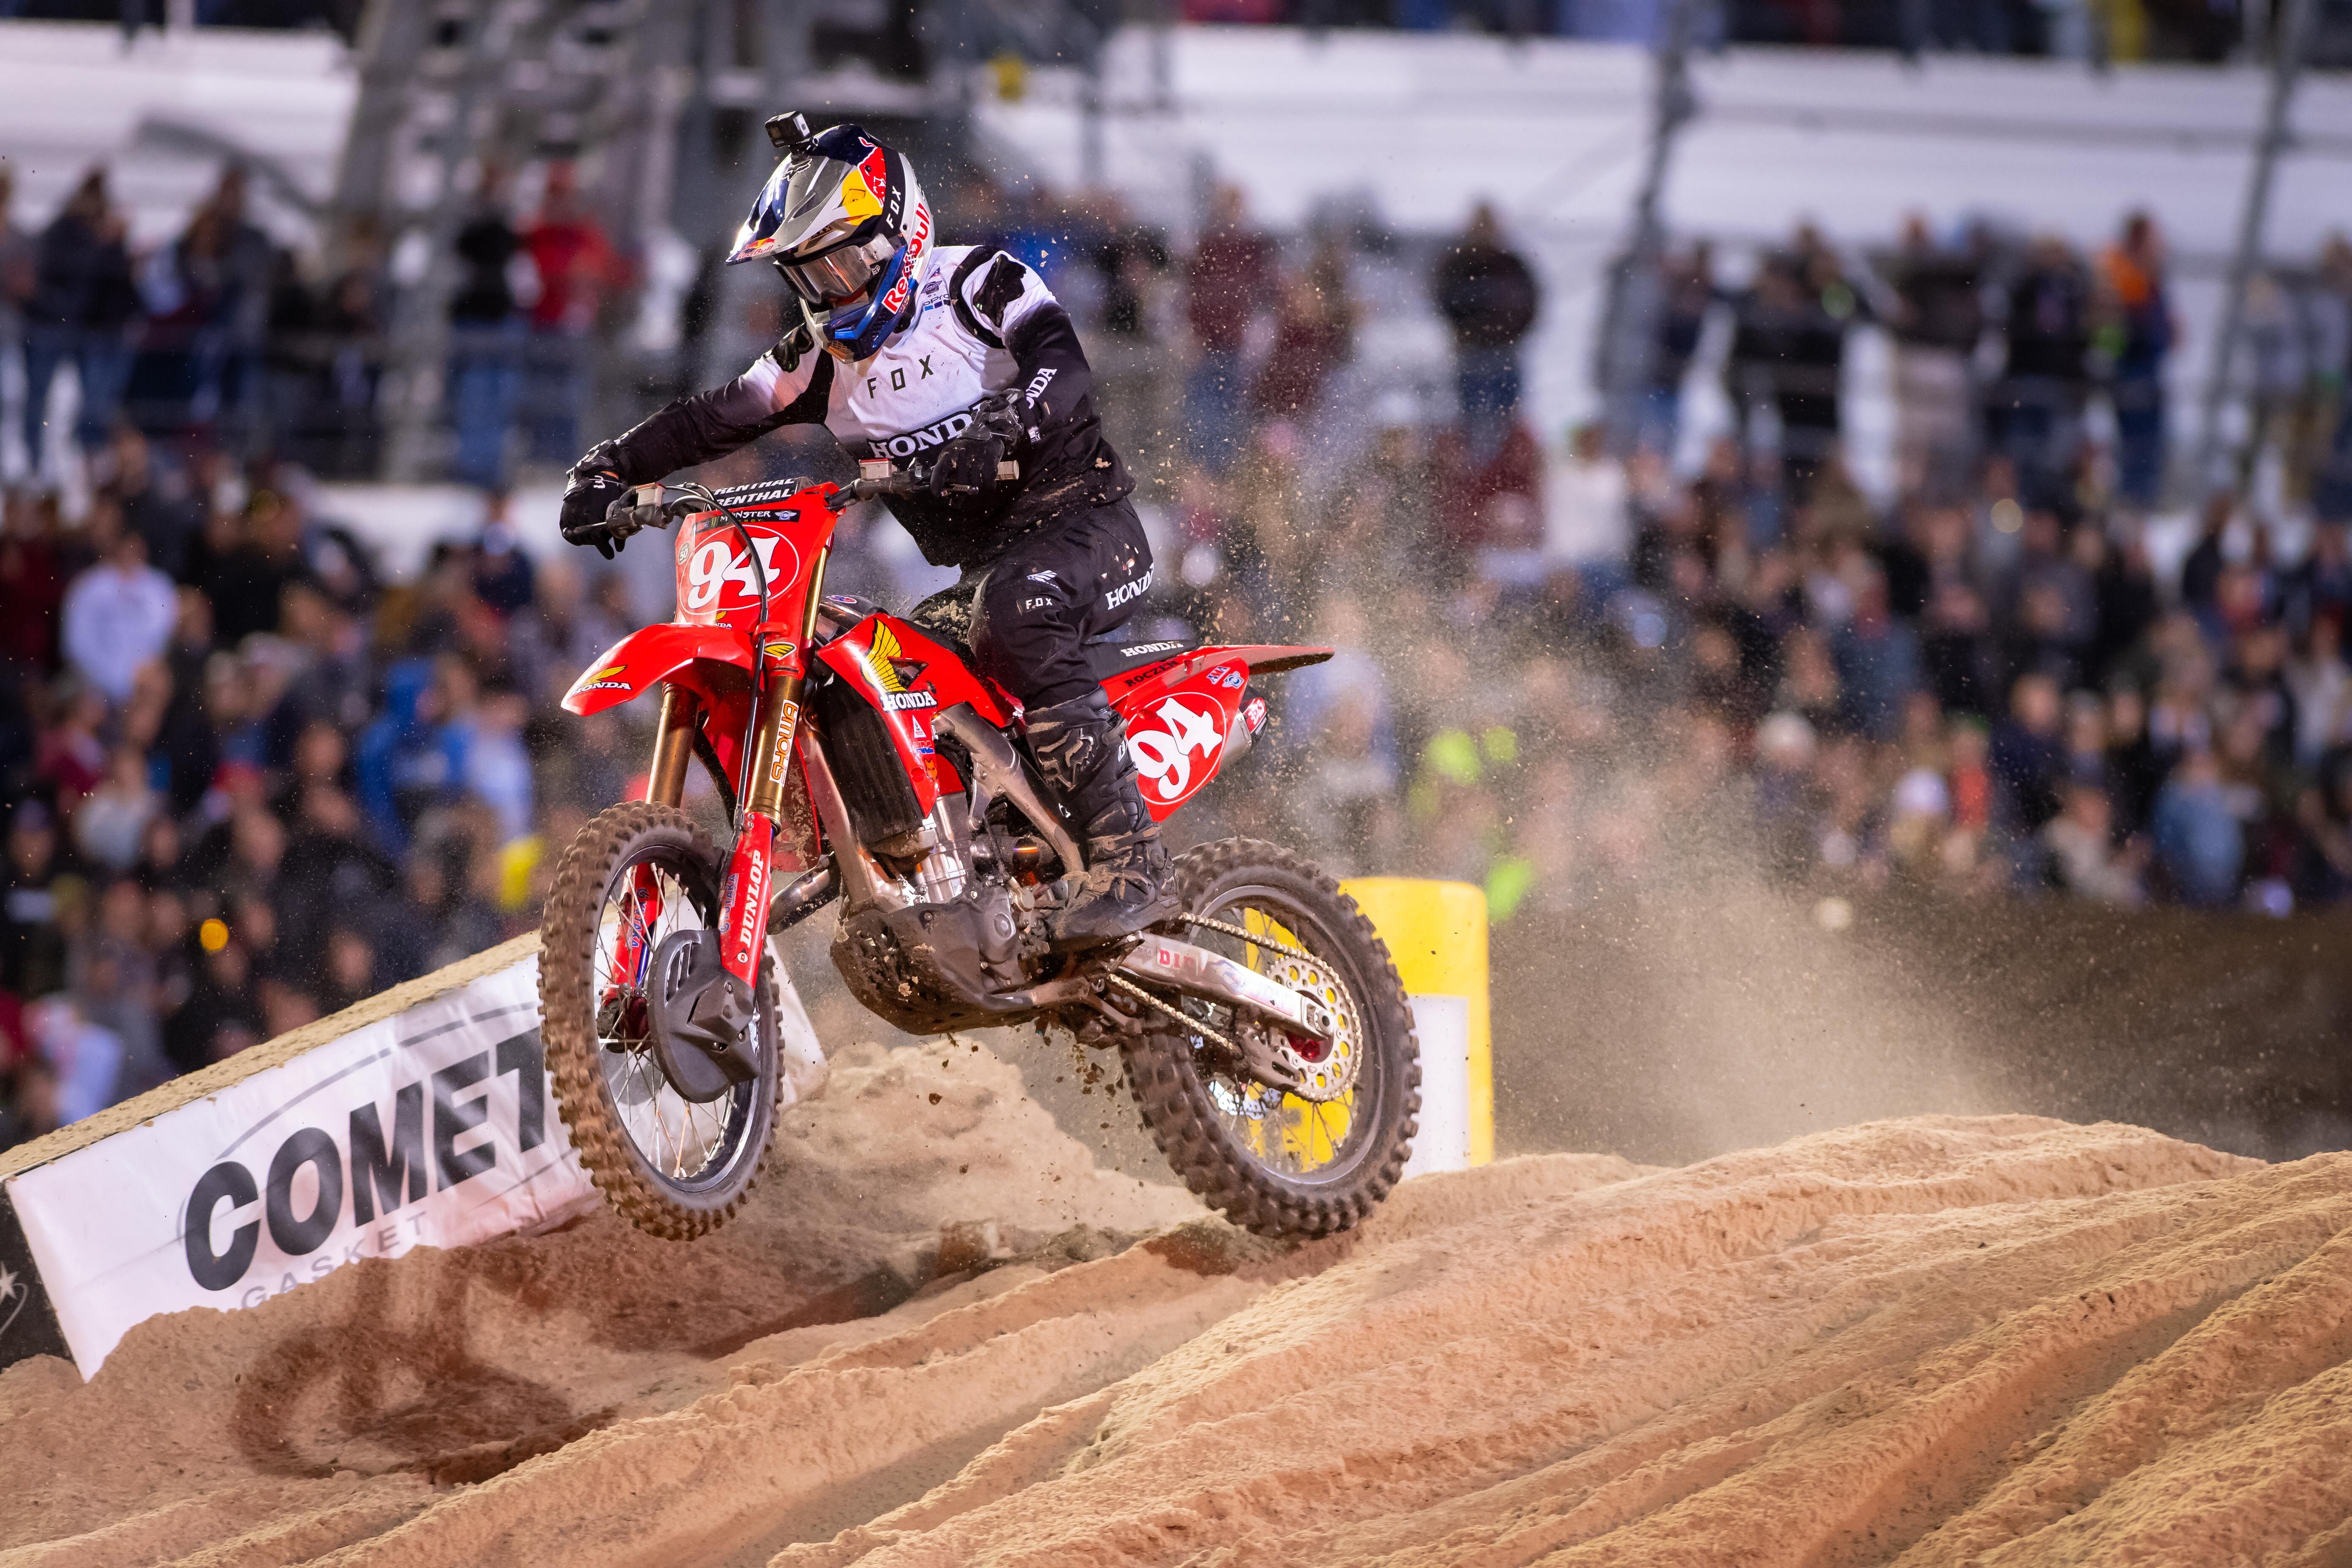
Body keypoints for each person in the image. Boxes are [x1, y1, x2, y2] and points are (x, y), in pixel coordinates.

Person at [557, 118, 1166, 947]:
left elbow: (1063, 367)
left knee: (1018, 612)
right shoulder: (817, 360)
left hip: (1090, 528)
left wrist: (1005, 423)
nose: (832, 291)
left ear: (899, 234)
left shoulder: (980, 283)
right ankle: (972, 871)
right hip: (982, 575)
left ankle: (1132, 863)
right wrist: (609, 469)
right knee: (880, 666)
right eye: (811, 276)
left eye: (844, 264)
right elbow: (711, 417)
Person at [1432, 203, 1540, 463]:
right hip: (1471, 353)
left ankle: (1504, 471)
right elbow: (1443, 300)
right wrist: (1465, 328)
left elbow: (1531, 304)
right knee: (1470, 419)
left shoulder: (1512, 264)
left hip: (1506, 352)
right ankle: (1474, 472)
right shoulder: (1458, 263)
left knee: (1508, 420)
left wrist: (1513, 333)